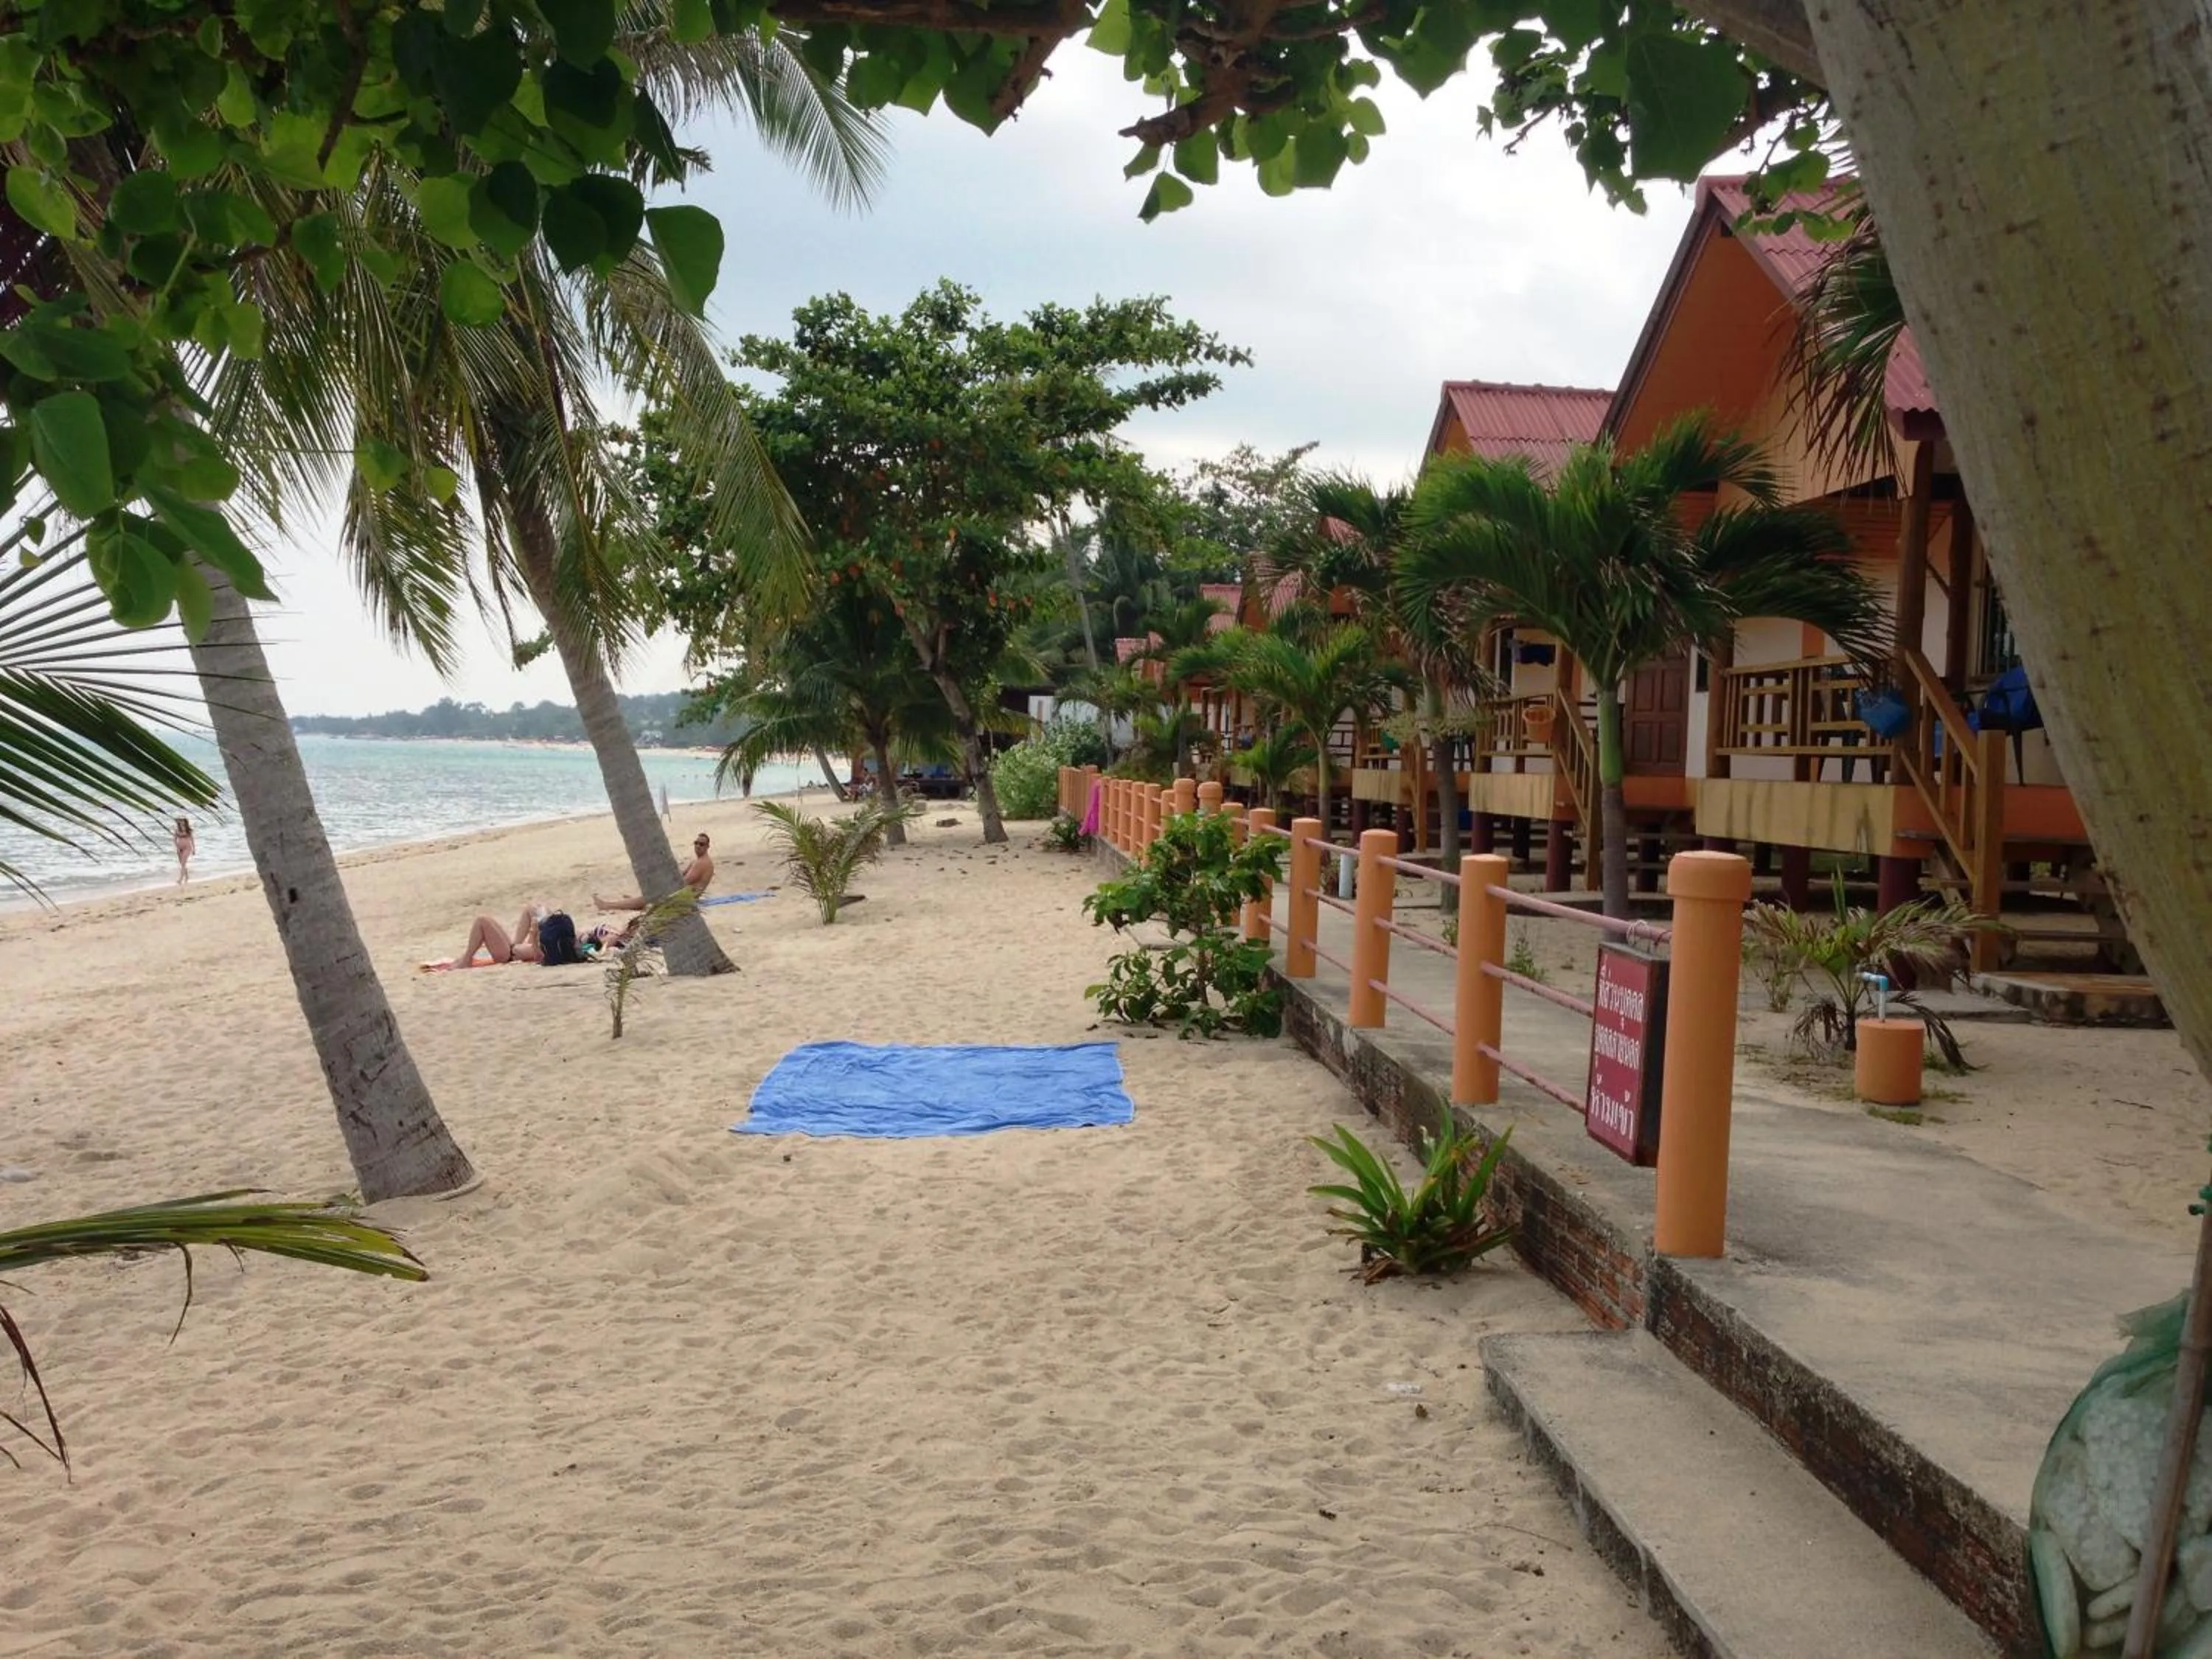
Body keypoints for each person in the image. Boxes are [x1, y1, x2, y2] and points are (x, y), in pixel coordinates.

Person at [595, 832, 714, 912]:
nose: (698, 846)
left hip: (686, 900)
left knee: (646, 900)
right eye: (696, 843)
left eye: (702, 844)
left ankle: (607, 906)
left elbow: (683, 882)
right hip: (683, 896)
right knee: (646, 899)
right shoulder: (697, 861)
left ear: (708, 846)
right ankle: (627, 903)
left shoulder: (702, 863)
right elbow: (681, 875)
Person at [455, 907, 543, 967]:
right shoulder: (551, 941)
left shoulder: (547, 948)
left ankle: (467, 959)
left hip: (509, 955)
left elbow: (538, 955)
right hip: (515, 948)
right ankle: (466, 957)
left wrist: (534, 935)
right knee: (531, 909)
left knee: (482, 921)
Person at [173, 815, 195, 886]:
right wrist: (177, 847)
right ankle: (187, 876)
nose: (181, 822)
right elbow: (174, 839)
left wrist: (194, 849)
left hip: (187, 848)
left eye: (183, 821)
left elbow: (192, 839)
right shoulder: (177, 830)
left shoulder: (189, 830)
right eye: (180, 821)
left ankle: (181, 879)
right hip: (180, 848)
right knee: (182, 864)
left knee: (183, 863)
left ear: (185, 822)